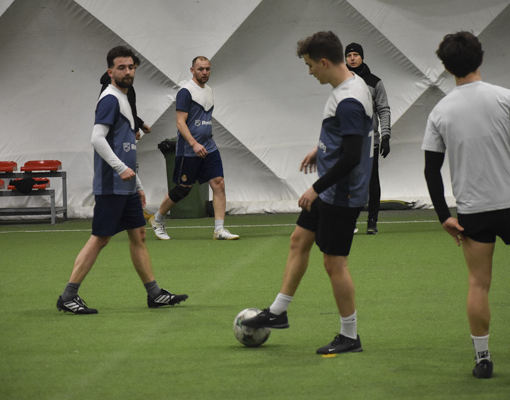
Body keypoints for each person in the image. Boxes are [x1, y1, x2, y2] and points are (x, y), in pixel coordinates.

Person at [422, 31, 510, 379]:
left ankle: (483, 360)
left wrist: (444, 216)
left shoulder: (439, 111)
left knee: (478, 283)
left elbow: (431, 170)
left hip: (473, 212)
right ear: (480, 58)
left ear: (447, 67)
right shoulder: (505, 97)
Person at [242, 31, 373, 355]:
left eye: (310, 65)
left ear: (324, 62)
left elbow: (352, 156)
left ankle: (350, 336)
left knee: (334, 263)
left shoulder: (349, 99)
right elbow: (349, 137)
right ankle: (278, 311)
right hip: (331, 189)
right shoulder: (351, 85)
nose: (310, 71)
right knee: (299, 240)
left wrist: (315, 188)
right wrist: (321, 148)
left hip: (341, 194)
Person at [56, 46, 188, 314]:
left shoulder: (124, 98)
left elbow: (125, 147)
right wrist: (119, 169)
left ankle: (154, 294)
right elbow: (97, 139)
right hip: (111, 184)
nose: (127, 72)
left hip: (125, 185)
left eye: (131, 67)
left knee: (139, 234)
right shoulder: (110, 99)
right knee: (100, 238)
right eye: (121, 67)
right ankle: (68, 296)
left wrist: (136, 184)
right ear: (110, 71)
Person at [149, 56, 239, 241]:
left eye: (207, 69)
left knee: (219, 183)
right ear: (192, 70)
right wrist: (194, 143)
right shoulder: (185, 92)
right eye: (200, 69)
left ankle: (219, 230)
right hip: (189, 150)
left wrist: (203, 142)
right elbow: (180, 122)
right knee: (183, 189)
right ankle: (157, 220)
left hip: (209, 147)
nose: (204, 72)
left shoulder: (209, 91)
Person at [345, 42, 391, 234]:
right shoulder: (341, 81)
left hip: (370, 140)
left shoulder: (374, 82)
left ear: (362, 57)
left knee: (372, 182)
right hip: (348, 140)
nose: (352, 58)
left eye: (356, 54)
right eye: (349, 55)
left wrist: (386, 135)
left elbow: (383, 109)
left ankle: (372, 221)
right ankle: (350, 221)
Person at [100, 54, 151, 140]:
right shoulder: (115, 86)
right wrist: (134, 129)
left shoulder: (121, 85)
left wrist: (139, 124)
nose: (131, 72)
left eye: (134, 68)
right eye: (131, 68)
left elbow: (125, 109)